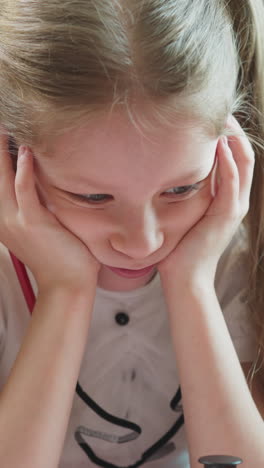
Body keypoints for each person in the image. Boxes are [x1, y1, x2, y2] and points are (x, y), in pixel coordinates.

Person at [0, 0, 264, 467]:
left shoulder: (235, 258)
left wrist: (191, 284)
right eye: (92, 198)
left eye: (182, 188)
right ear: (10, 159)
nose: (143, 243)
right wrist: (65, 289)